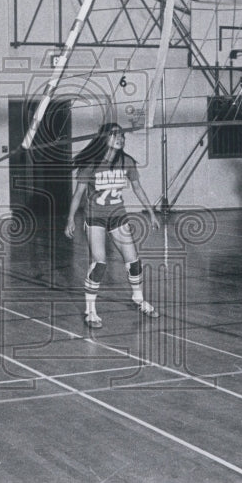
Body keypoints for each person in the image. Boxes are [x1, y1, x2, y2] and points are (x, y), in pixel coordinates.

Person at [64, 122, 160, 328]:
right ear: (104, 139)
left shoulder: (127, 162)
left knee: (134, 262)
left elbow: (138, 188)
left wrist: (151, 213)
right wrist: (71, 218)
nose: (120, 138)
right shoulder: (90, 164)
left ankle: (138, 299)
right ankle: (90, 311)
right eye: (115, 135)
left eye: (122, 135)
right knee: (100, 263)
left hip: (118, 216)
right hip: (95, 218)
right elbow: (78, 194)